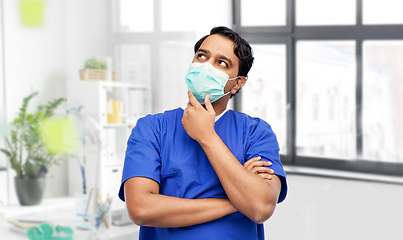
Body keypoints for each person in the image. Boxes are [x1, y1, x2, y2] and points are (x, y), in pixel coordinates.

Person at [118, 26, 287, 240]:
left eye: (222, 63)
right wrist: (237, 201)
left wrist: (207, 136)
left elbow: (261, 207)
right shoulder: (152, 129)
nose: (207, 66)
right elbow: (141, 209)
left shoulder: (256, 133)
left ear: (238, 83)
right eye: (202, 56)